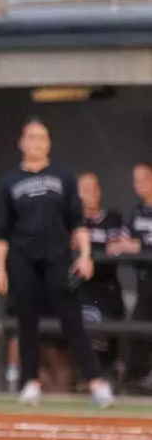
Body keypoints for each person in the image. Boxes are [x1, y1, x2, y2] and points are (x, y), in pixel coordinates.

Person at [0, 117, 114, 408]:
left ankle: (96, 383)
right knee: (26, 321)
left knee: (72, 319)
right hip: (22, 257)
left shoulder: (64, 175)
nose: (37, 143)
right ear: (21, 142)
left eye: (43, 137)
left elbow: (77, 222)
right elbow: (1, 231)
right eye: (32, 137)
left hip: (57, 256)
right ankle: (31, 383)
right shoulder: (9, 181)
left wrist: (85, 255)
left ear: (49, 143)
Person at [76, 172, 126, 384]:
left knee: (107, 343)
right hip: (82, 289)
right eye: (84, 189)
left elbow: (115, 248)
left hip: (107, 289)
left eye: (93, 188)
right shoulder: (73, 222)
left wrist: (87, 248)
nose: (89, 194)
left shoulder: (112, 218)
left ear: (100, 191)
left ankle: (108, 375)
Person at [112, 162, 152, 393]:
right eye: (136, 180)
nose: (140, 185)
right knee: (138, 328)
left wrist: (141, 245)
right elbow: (120, 242)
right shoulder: (137, 212)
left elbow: (138, 244)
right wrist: (131, 245)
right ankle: (134, 379)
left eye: (144, 179)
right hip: (144, 282)